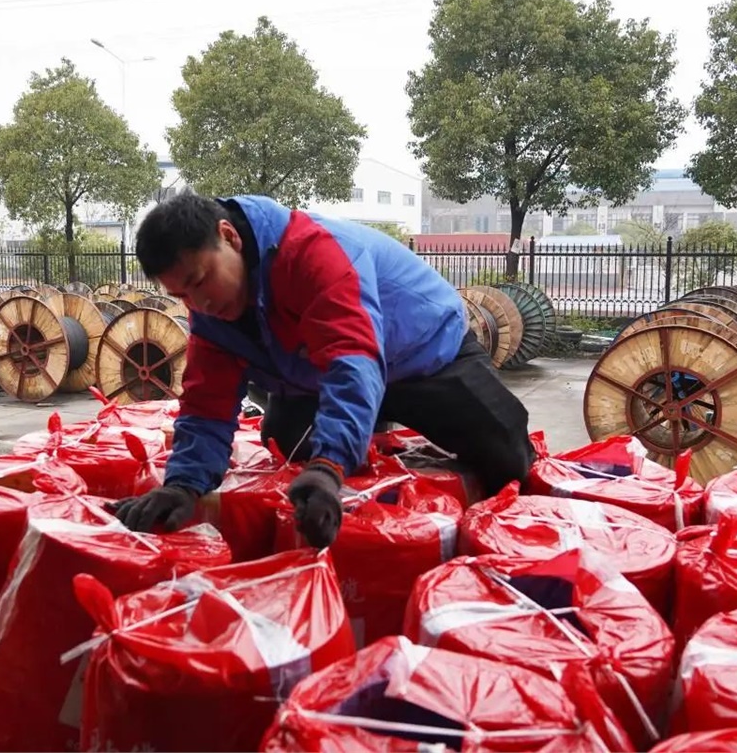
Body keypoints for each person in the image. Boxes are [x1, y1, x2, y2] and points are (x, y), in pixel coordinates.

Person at [113, 191, 533, 548]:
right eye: (182, 295)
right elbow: (207, 403)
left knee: (508, 458)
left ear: (229, 236)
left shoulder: (313, 252)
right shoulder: (211, 316)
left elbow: (352, 358)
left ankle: (369, 425)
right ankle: (366, 425)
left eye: (200, 280)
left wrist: (329, 466)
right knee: (286, 441)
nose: (199, 304)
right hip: (315, 376)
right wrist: (183, 484)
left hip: (424, 355)